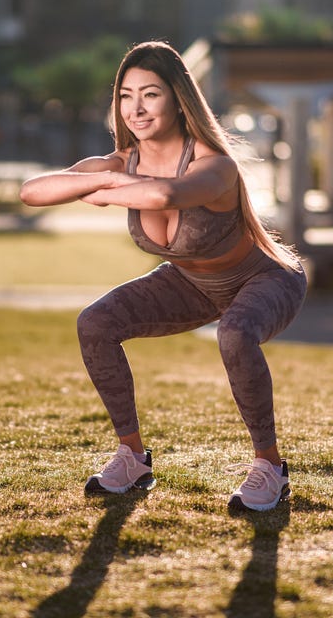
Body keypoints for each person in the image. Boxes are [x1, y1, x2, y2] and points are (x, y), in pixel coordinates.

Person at [20, 41, 307, 512]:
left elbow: (168, 194)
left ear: (177, 99)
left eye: (150, 94)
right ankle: (132, 457)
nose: (136, 108)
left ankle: (271, 469)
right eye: (126, 95)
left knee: (234, 334)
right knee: (95, 323)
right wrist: (113, 176)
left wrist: (103, 184)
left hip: (264, 278)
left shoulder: (216, 164)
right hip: (190, 282)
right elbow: (33, 192)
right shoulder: (122, 164)